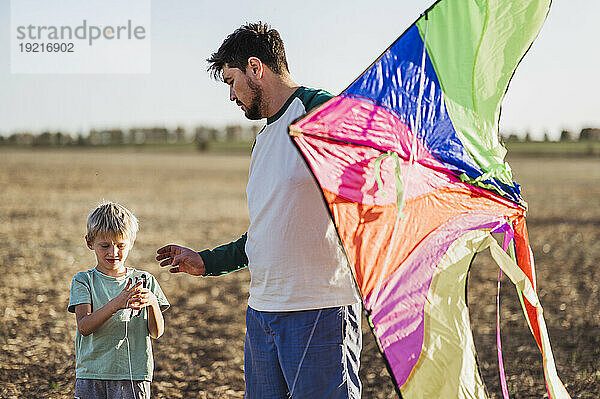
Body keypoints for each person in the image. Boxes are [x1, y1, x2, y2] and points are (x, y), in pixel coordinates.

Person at [156, 22, 362, 398]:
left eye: (230, 81)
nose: (231, 95)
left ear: (255, 68)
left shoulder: (321, 112)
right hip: (263, 315)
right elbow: (266, 231)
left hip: (318, 310)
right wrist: (206, 262)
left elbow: (376, 183)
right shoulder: (264, 139)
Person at [68, 201, 169, 399]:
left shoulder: (145, 280)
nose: (113, 252)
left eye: (120, 245)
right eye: (104, 245)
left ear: (131, 243)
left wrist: (153, 303)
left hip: (133, 376)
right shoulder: (84, 281)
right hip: (92, 375)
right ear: (90, 243)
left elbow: (157, 333)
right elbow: (84, 327)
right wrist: (118, 303)